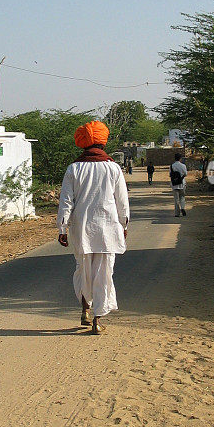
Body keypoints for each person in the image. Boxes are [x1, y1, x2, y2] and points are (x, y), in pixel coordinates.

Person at [57, 120, 130, 335]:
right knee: (103, 273)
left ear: (83, 143)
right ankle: (98, 319)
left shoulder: (74, 169)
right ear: (102, 142)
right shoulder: (114, 168)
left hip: (82, 231)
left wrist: (62, 228)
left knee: (83, 270)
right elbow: (122, 202)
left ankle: (85, 310)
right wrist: (124, 224)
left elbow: (66, 201)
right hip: (108, 229)